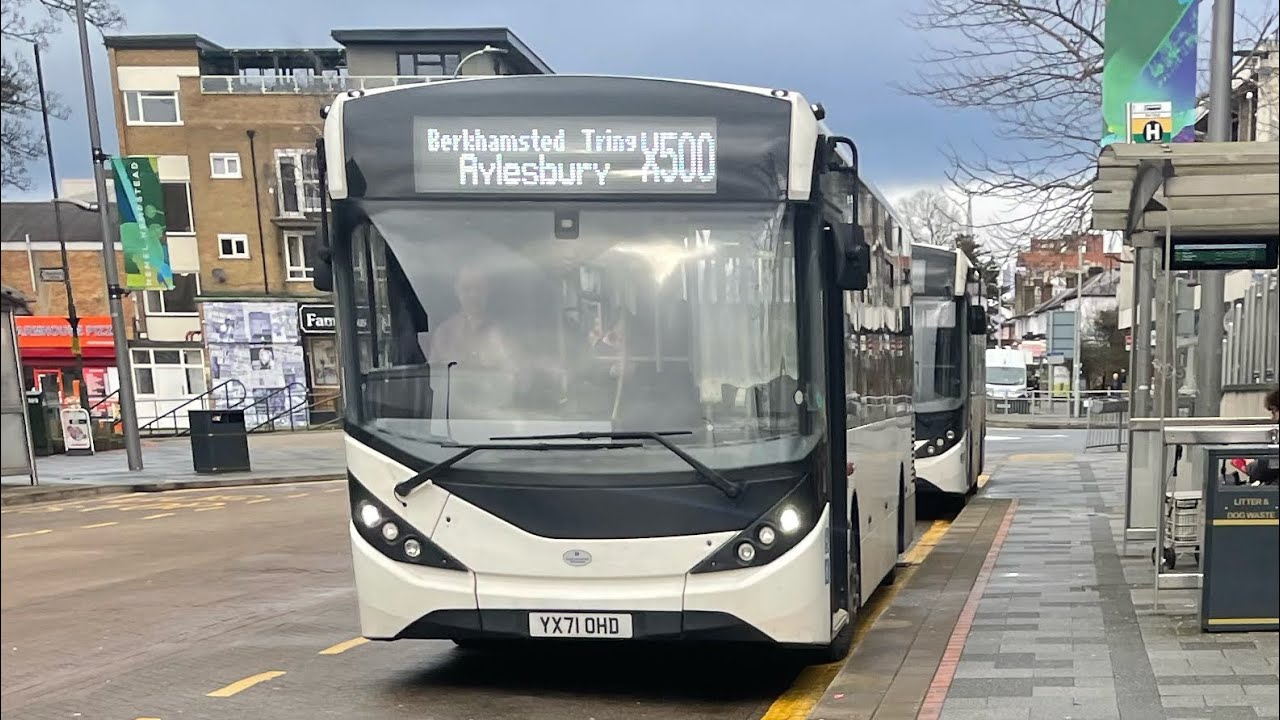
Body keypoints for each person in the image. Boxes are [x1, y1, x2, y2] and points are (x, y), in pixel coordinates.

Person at [427, 263, 516, 369]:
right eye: (466, 288)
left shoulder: (503, 333)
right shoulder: (444, 333)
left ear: (487, 290)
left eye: (479, 288)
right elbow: (433, 377)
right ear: (456, 290)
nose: (473, 295)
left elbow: (517, 372)